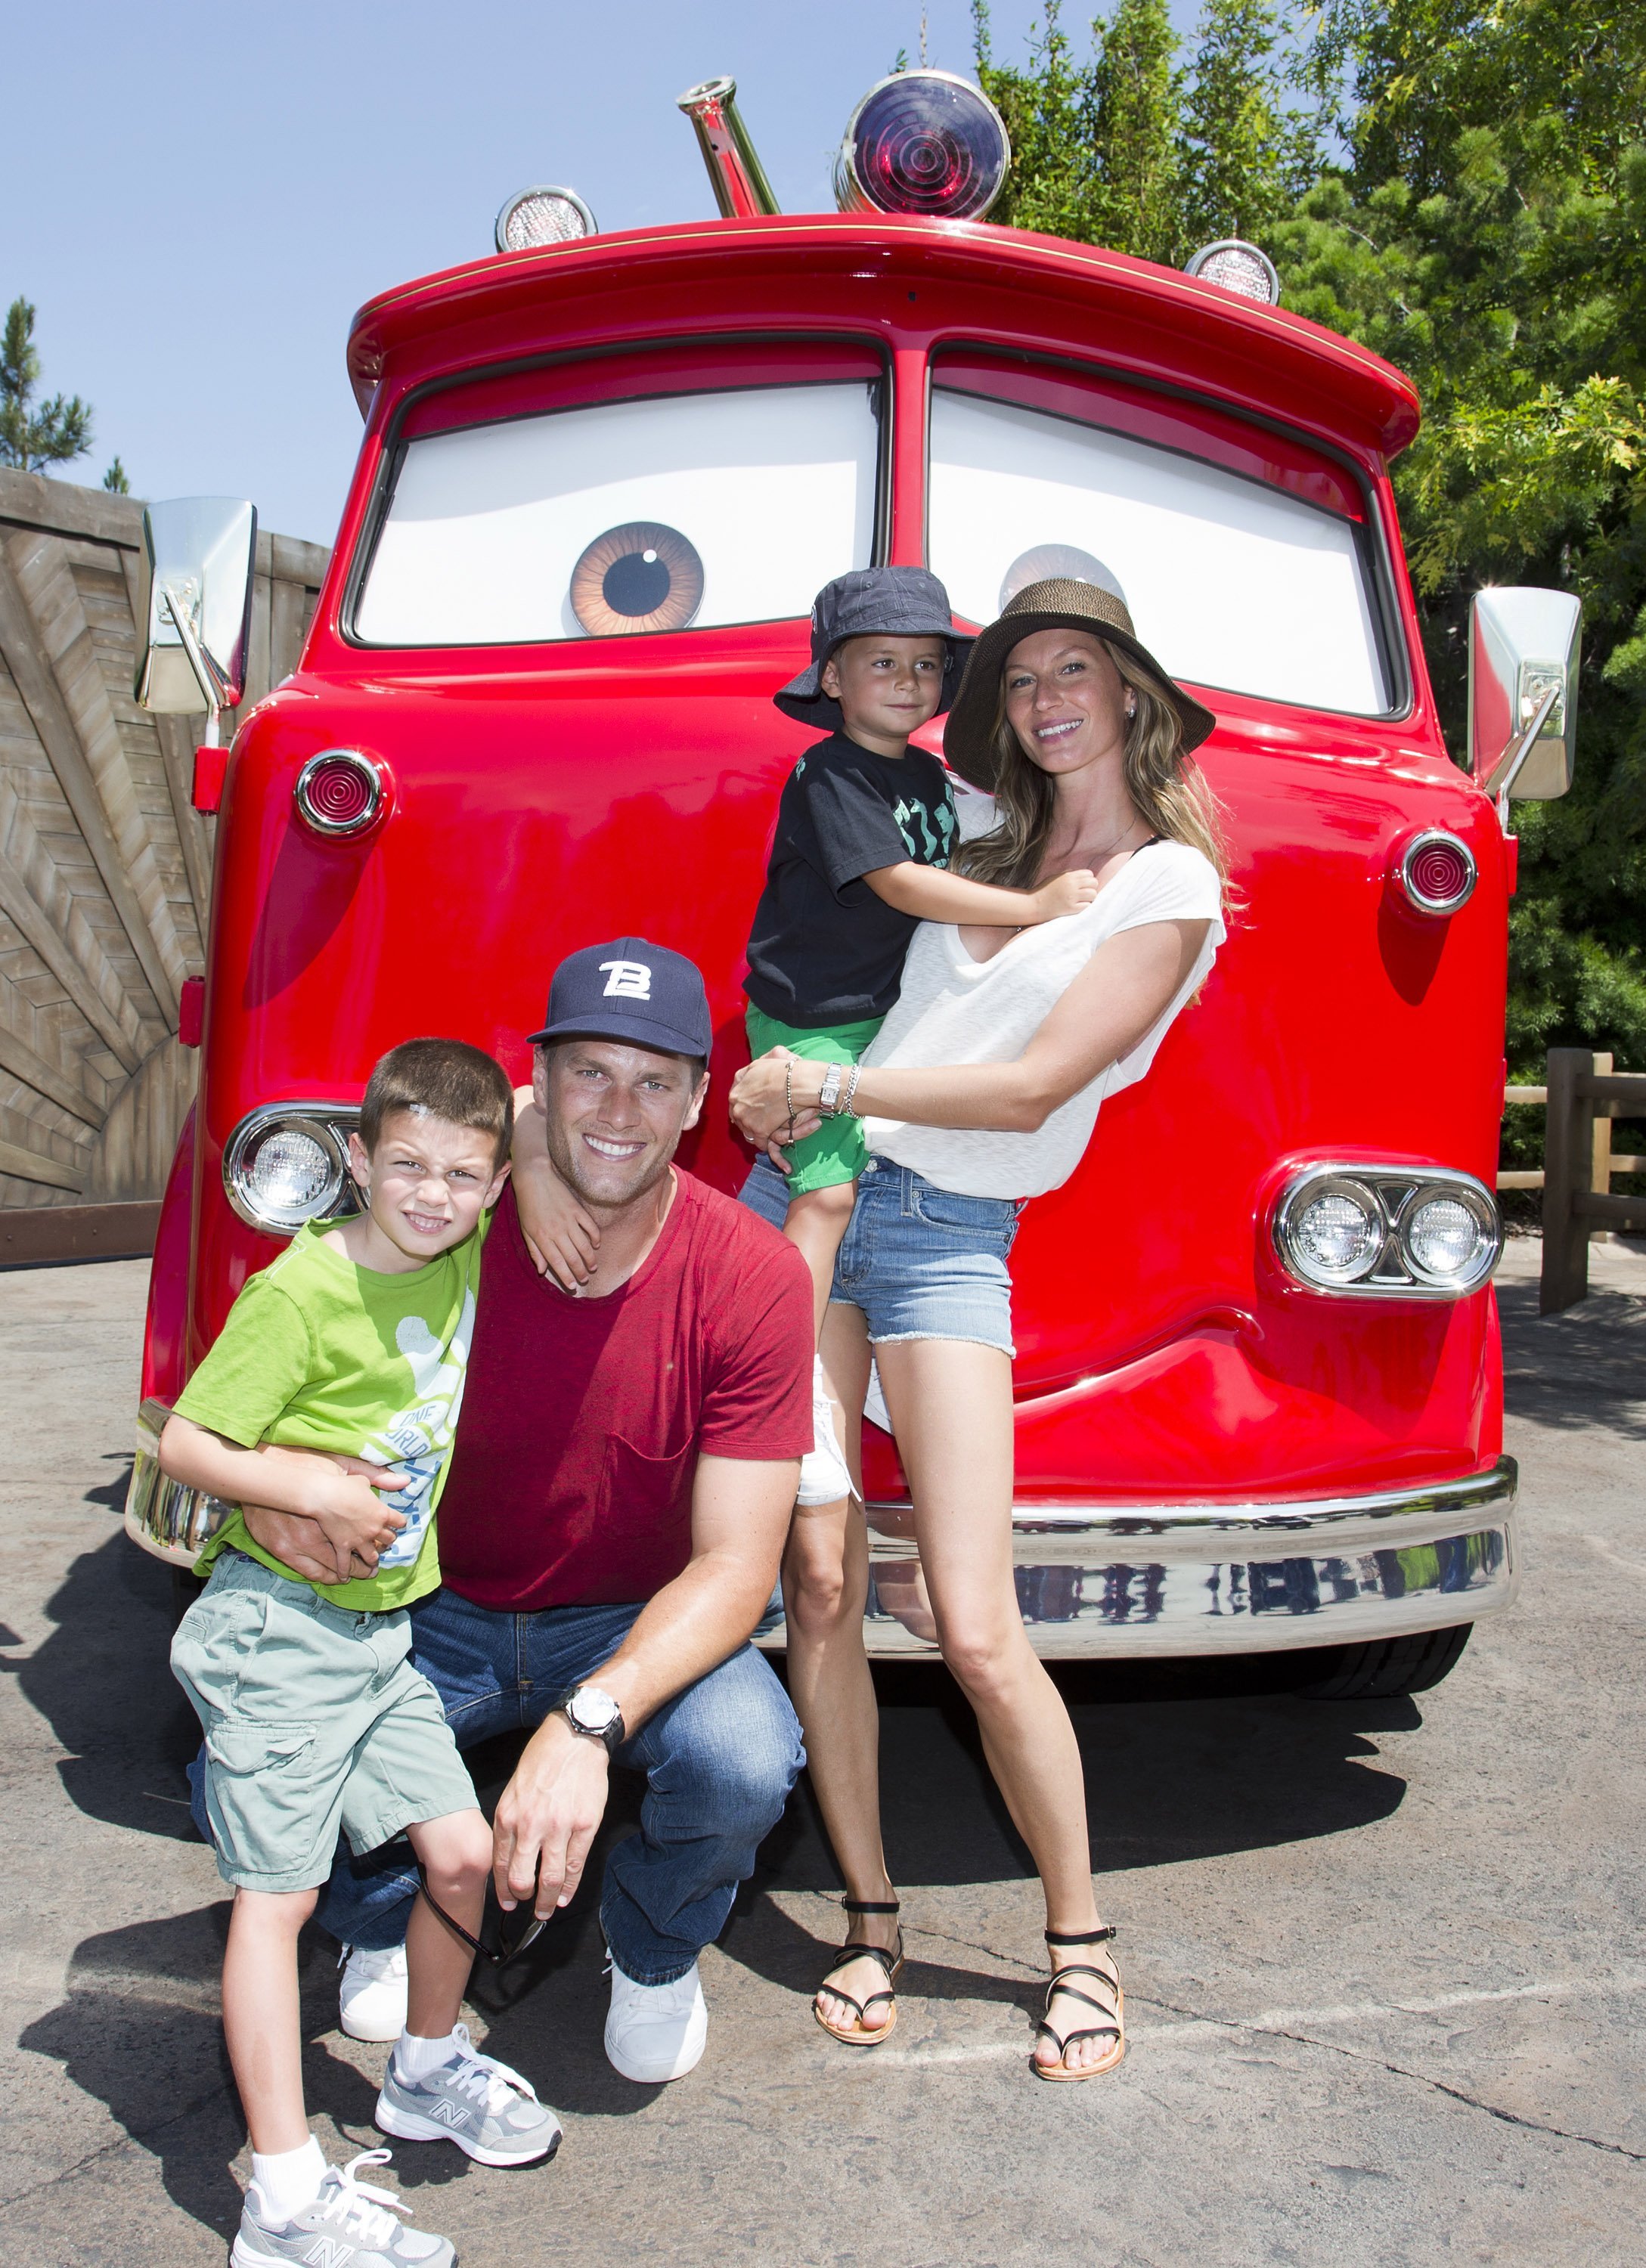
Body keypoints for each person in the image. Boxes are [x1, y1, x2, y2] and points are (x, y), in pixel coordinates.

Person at [728, 576, 1228, 2082]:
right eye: (1015, 679)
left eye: (1071, 669)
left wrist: (827, 1091)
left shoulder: (1167, 890)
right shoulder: (967, 830)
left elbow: (1023, 1091)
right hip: (809, 1194)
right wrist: (783, 1081)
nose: (1040, 698)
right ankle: (869, 1914)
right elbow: (836, 951)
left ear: (1132, 693)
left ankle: (1078, 1947)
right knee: (814, 1578)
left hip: (943, 1237)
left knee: (973, 1618)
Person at [233, 941, 814, 2090]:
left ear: (701, 1101)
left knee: (743, 1761)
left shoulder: (752, 1275)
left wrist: (589, 1723)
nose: (619, 1109)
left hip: (624, 1622)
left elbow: (739, 1566)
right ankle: (384, 1909)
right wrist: (298, 1490)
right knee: (247, 1744)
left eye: (656, 1082)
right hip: (425, 1601)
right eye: (589, 1073)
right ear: (536, 1083)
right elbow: (284, 1378)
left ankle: (652, 1948)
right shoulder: (446, 1216)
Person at [529, 567, 1102, 1518]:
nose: (909, 681)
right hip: (813, 1021)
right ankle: (781, 1399)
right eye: (881, 661)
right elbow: (899, 886)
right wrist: (1035, 907)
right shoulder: (829, 773)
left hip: (873, 1023)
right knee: (825, 1195)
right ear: (831, 679)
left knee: (820, 1191)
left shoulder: (923, 777)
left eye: (927, 664)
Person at [163, 1039, 559, 2268]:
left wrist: (532, 1108)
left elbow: (540, 1116)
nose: (432, 1195)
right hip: (279, 1630)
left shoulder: (467, 1250)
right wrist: (309, 1493)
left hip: (381, 1639)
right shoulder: (303, 1290)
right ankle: (280, 2203)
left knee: (460, 1856)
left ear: (492, 1188)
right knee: (274, 1908)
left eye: (459, 1174)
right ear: (354, 1160)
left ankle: (427, 2075)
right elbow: (185, 1443)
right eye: (406, 1168)